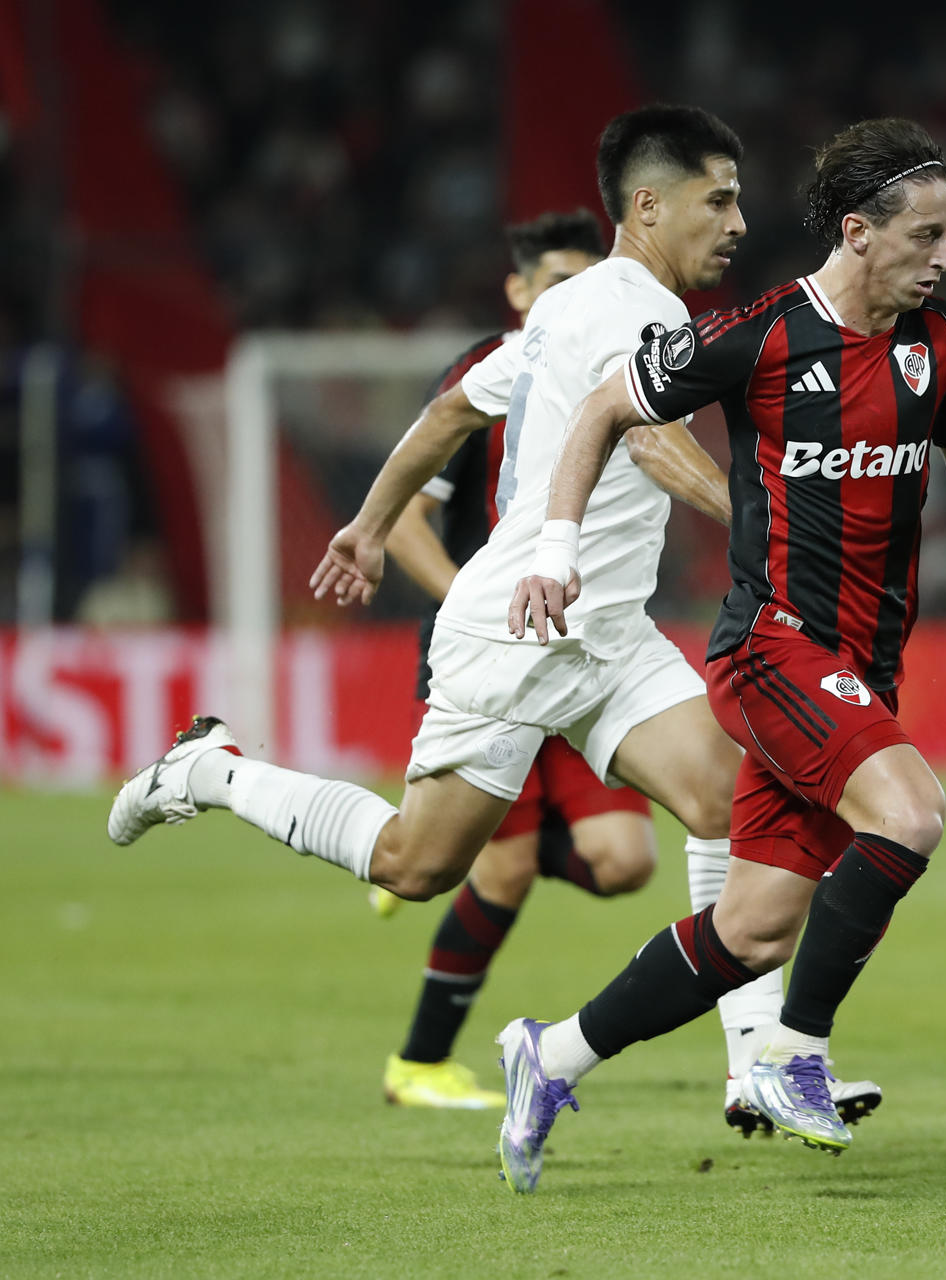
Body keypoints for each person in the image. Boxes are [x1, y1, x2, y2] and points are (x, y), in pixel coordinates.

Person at [107, 105, 878, 1131]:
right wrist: (768, 518)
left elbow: (453, 410)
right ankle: (207, 769)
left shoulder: (571, 306)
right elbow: (645, 444)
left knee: (738, 808)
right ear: (650, 204)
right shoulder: (629, 315)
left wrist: (370, 523)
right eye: (719, 197)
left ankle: (755, 1063)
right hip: (515, 629)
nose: (739, 220)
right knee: (415, 865)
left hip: (607, 634)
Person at [489, 117, 946, 1192]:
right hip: (771, 652)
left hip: (862, 665)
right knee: (912, 810)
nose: (944, 256)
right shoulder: (760, 336)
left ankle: (549, 1053)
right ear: (858, 231)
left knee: (749, 929)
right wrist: (554, 546)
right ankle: (795, 1051)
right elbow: (610, 406)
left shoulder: (940, 341)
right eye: (926, 234)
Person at [375, 209, 659, 1110]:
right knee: (491, 871)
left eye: (586, 283)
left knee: (623, 860)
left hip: (578, 649)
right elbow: (409, 525)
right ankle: (418, 1061)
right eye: (555, 283)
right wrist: (483, 601)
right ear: (518, 290)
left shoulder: (614, 366)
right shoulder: (489, 375)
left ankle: (438, 832)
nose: (572, 300)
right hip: (498, 653)